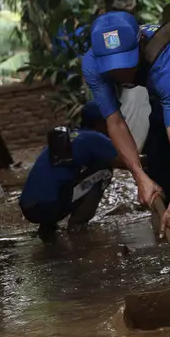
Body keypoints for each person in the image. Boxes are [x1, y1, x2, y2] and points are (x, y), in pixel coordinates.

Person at [82, 10, 170, 280]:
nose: (118, 71)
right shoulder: (93, 63)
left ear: (139, 45)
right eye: (110, 66)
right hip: (166, 90)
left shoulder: (167, 63)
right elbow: (114, 122)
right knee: (159, 166)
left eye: (124, 62)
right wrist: (140, 176)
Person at [19, 101, 123, 236]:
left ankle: (48, 230)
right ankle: (77, 226)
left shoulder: (72, 136)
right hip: (48, 207)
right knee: (104, 171)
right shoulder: (94, 137)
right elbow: (127, 163)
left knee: (61, 179)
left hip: (29, 207)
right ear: (101, 122)